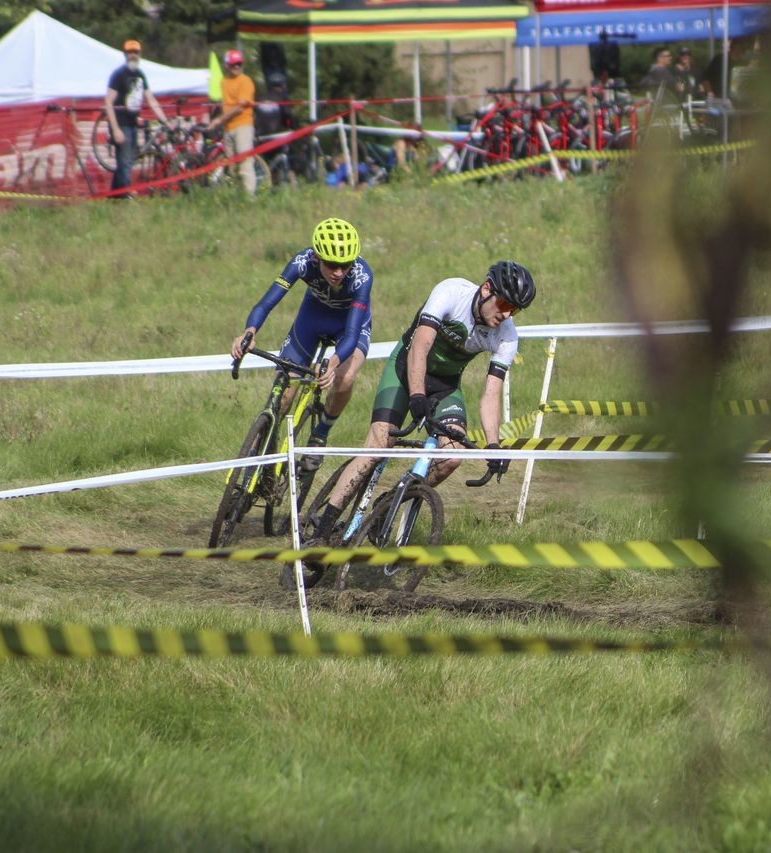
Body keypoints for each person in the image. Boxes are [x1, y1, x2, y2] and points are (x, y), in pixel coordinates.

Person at [308, 260, 536, 546]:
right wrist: (416, 396)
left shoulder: (506, 335)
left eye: (514, 310)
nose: (506, 314)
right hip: (405, 369)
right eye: (504, 303)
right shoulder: (452, 292)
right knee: (378, 445)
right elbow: (420, 346)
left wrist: (493, 445)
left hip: (444, 385)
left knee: (453, 456)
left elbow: (492, 392)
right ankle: (321, 529)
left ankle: (389, 504)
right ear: (486, 289)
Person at [230, 218, 372, 469]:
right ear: (317, 256)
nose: (339, 272)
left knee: (346, 377)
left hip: (349, 326)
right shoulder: (302, 262)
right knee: (284, 393)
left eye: (345, 265)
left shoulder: (362, 276)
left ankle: (321, 434)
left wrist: (333, 362)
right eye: (332, 264)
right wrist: (249, 331)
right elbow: (266, 302)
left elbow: (351, 334)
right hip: (312, 318)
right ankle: (266, 443)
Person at [104, 39, 171, 195]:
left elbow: (151, 99)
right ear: (125, 54)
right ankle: (125, 196)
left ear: (139, 54)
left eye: (135, 52)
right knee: (125, 163)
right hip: (121, 124)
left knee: (125, 162)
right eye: (130, 53)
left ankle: (114, 196)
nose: (133, 55)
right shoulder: (118, 74)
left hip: (133, 124)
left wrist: (165, 121)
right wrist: (115, 129)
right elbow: (108, 101)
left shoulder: (140, 75)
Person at [207, 49, 257, 195]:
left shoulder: (246, 81)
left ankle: (249, 197)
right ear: (227, 66)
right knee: (232, 166)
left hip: (243, 125)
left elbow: (240, 107)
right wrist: (215, 120)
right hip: (228, 128)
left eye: (239, 64)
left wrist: (218, 120)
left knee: (245, 163)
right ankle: (237, 195)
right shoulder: (224, 82)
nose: (237, 67)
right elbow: (225, 106)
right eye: (234, 64)